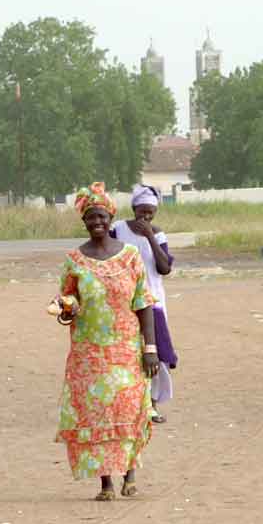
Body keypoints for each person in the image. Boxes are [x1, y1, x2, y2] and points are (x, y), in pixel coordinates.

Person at [55, 182, 159, 501]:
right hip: (89, 355)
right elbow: (66, 302)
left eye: (101, 216)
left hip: (126, 350)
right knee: (97, 416)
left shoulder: (130, 256)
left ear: (110, 217)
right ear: (84, 221)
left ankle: (129, 475)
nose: (96, 222)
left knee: (127, 412)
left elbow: (143, 303)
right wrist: (65, 309)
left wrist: (150, 348)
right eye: (90, 218)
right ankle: (106, 484)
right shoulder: (74, 260)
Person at [111, 185, 178, 423]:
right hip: (124, 302)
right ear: (134, 209)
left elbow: (165, 268)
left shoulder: (158, 235)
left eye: (151, 213)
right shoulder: (117, 230)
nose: (146, 217)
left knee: (155, 355)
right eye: (142, 211)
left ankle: (152, 405)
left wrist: (149, 235)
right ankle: (127, 406)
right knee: (125, 353)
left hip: (154, 302)